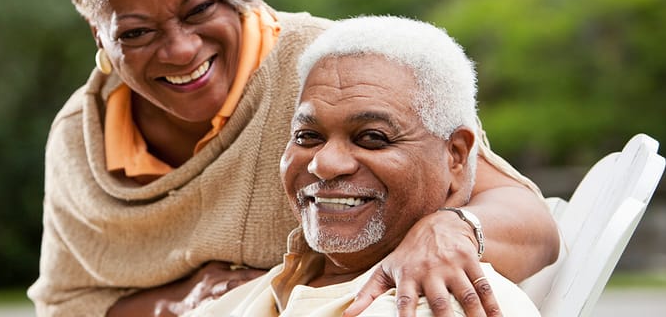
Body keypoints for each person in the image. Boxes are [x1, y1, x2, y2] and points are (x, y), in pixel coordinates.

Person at [28, 0, 559, 316]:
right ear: (99, 35)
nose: (180, 50)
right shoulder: (81, 138)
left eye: (199, 10)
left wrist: (451, 229)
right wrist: (182, 301)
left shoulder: (334, 72)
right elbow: (67, 304)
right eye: (135, 33)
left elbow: (529, 220)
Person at [186, 16, 540, 317]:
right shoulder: (251, 295)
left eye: (372, 138)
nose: (325, 164)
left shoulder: (445, 300)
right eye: (308, 136)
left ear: (456, 156)